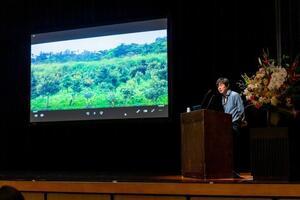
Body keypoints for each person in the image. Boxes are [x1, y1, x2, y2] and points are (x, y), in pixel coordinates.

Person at [216, 77, 245, 178]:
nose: (219, 87)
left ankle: (236, 170)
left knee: (234, 147)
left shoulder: (234, 95)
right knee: (228, 148)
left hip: (235, 124)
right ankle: (230, 170)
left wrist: (239, 122)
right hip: (227, 126)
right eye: (218, 86)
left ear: (227, 85)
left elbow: (241, 110)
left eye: (221, 85)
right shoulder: (223, 98)